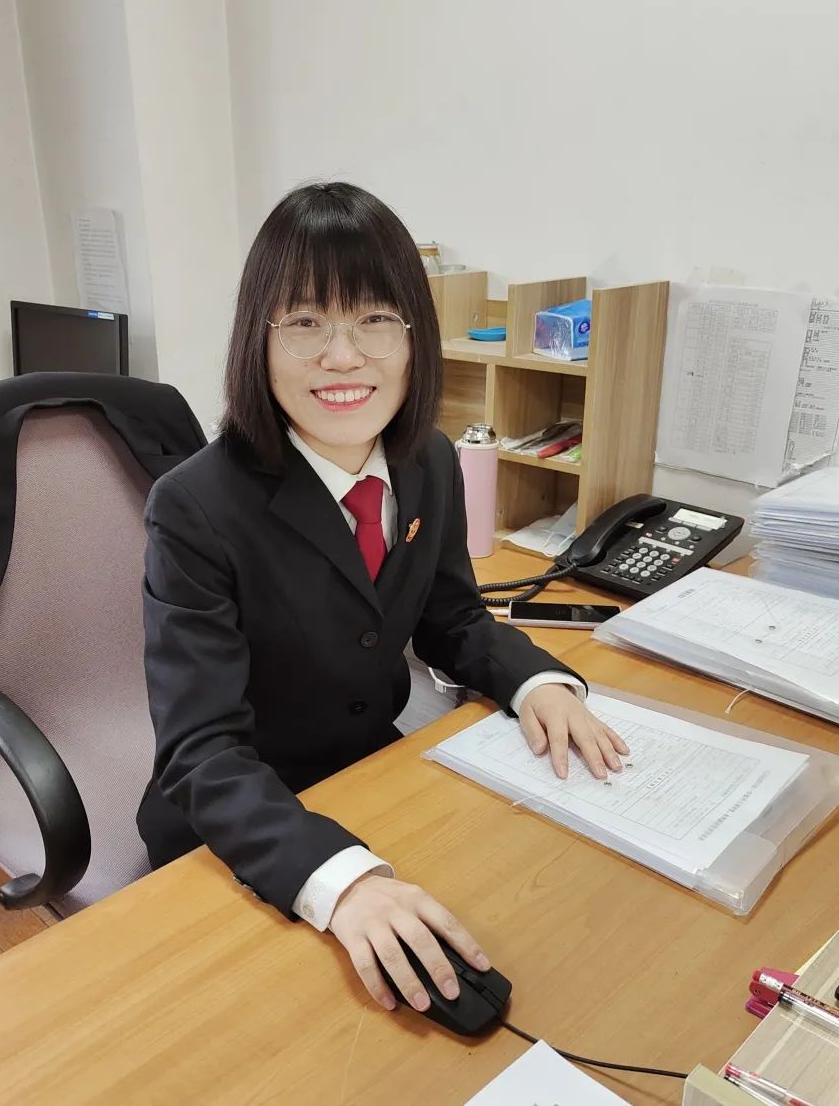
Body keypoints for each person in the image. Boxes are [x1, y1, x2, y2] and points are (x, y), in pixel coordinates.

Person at [137, 182, 628, 1015]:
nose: (342, 357)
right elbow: (201, 752)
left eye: (374, 319)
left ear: (413, 339)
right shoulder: (194, 507)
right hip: (244, 833)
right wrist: (342, 882)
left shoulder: (428, 460)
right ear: (258, 341)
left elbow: (452, 617)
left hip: (372, 780)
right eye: (305, 323)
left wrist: (537, 682)